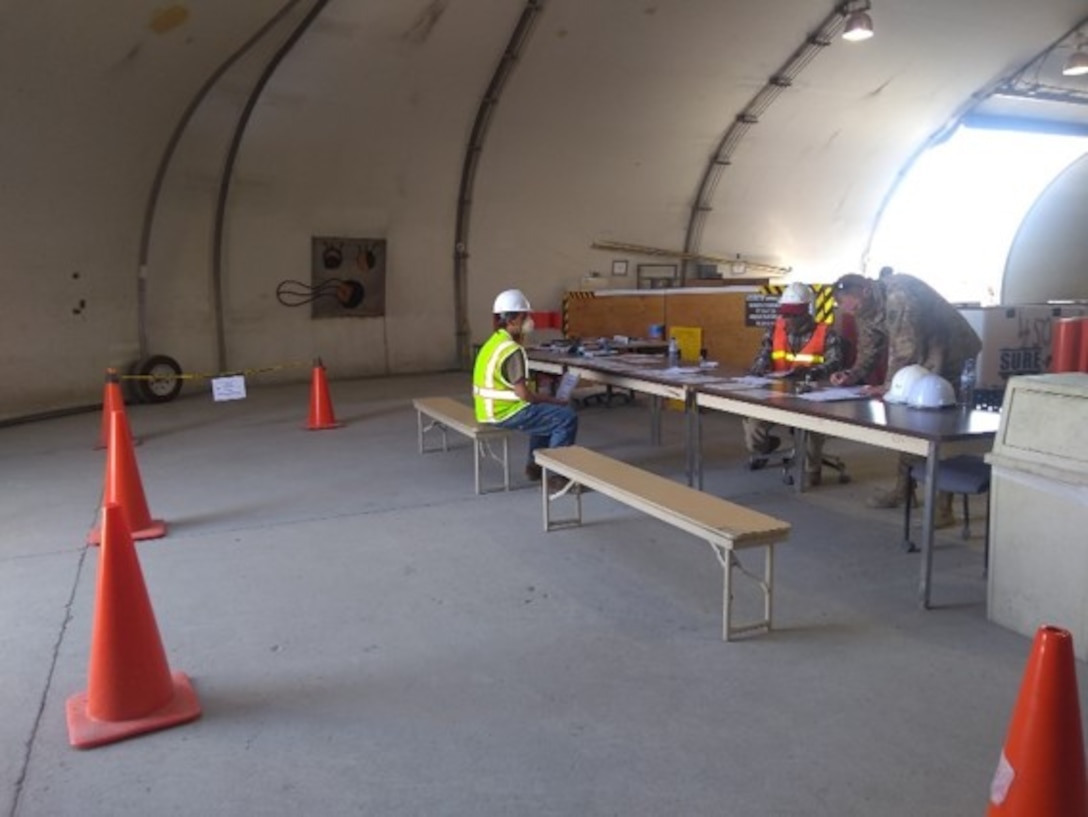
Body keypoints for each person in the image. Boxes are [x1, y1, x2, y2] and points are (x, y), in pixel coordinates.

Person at [831, 271, 983, 522]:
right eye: (848, 309)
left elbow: (906, 350)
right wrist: (852, 375)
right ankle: (905, 490)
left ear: (866, 291)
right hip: (923, 353)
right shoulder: (865, 307)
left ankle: (943, 507)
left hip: (953, 352)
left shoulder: (899, 296)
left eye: (854, 306)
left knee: (938, 427)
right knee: (907, 423)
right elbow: (869, 346)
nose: (852, 312)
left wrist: (889, 385)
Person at [473, 288, 578, 490]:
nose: (529, 321)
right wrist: (554, 400)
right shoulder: (512, 350)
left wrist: (547, 402)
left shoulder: (493, 343)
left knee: (546, 416)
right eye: (525, 316)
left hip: (486, 409)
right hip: (504, 411)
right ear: (512, 320)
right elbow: (525, 396)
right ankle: (557, 477)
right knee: (565, 417)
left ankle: (535, 467)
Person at [743, 281, 844, 487]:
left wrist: (811, 371)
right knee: (752, 424)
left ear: (806, 312)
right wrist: (760, 366)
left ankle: (811, 470)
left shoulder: (827, 333)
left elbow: (836, 363)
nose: (786, 319)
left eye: (792, 315)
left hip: (812, 395)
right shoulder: (774, 329)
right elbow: (763, 354)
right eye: (784, 314)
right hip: (777, 393)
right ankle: (766, 448)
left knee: (811, 424)